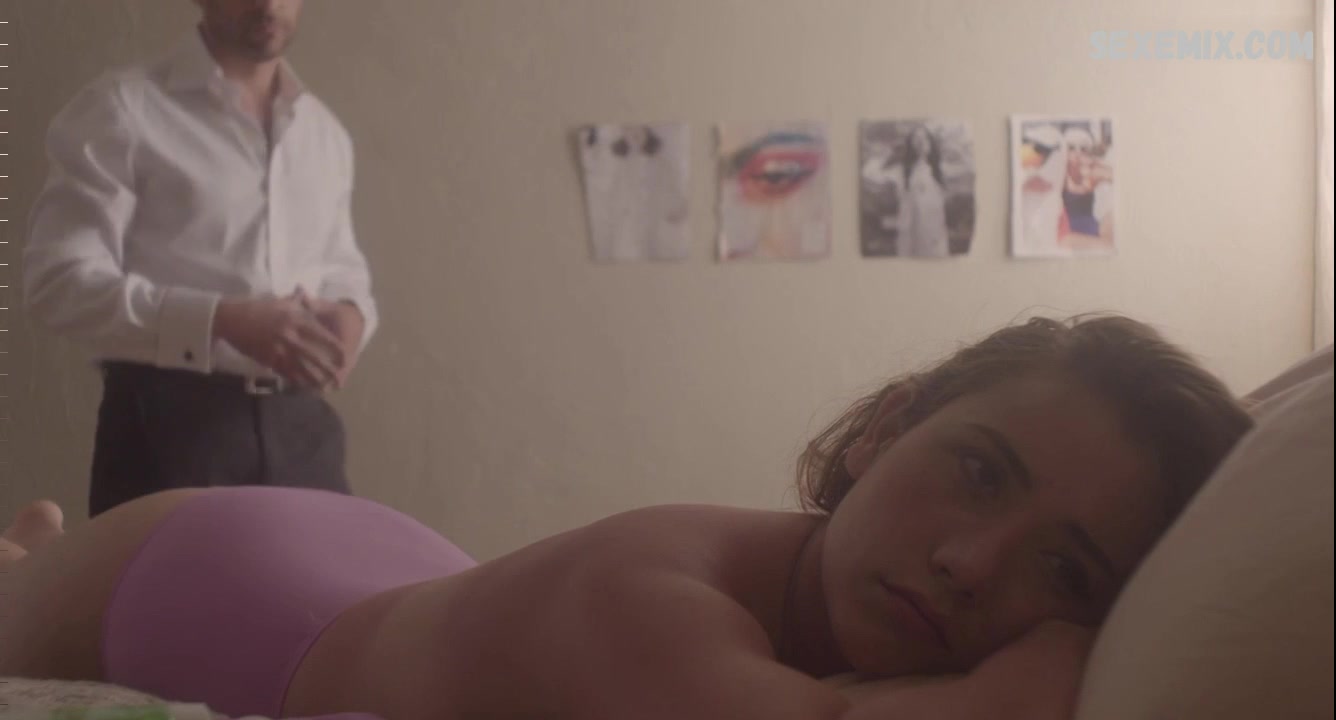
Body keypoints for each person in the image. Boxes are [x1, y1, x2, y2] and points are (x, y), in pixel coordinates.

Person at [0, 315, 1253, 720]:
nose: (973, 563)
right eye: (977, 473)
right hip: (225, 584)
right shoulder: (652, 605)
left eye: (1065, 571)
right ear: (883, 431)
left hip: (402, 566)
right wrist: (1050, 657)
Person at [21, 0, 377, 517]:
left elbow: (343, 266)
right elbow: (58, 282)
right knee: (167, 576)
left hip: (304, 430)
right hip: (167, 427)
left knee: (333, 574)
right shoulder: (123, 110)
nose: (269, 2)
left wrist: (352, 313)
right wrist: (219, 319)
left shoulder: (324, 134)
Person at [897, 125, 950, 258]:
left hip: (936, 233)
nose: (921, 142)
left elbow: (940, 205)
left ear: (930, 143)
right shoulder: (905, 173)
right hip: (913, 232)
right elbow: (904, 207)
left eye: (925, 138)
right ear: (911, 144)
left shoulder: (937, 172)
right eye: (916, 138)